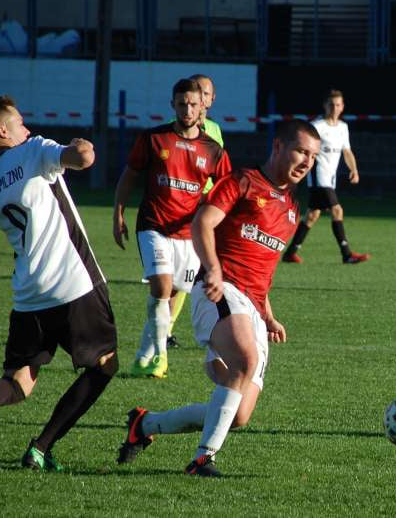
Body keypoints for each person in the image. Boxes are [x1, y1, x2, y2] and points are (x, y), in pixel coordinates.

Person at [116, 119, 320, 477]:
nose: (307, 162)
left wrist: (269, 316)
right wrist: (212, 268)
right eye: (301, 151)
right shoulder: (243, 181)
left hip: (252, 308)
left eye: (314, 157)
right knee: (245, 358)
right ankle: (202, 459)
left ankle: (145, 426)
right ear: (277, 147)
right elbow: (202, 223)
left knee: (238, 415)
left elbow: (263, 271)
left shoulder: (290, 208)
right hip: (220, 290)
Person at [0, 95, 118, 474]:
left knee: (17, 384)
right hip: (73, 282)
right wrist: (82, 146)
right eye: (19, 122)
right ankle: (41, 449)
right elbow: (83, 159)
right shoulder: (33, 151)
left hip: (29, 296)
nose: (26, 127)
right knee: (105, 366)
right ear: (2, 130)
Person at [113, 78, 231, 379]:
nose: (188, 109)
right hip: (153, 225)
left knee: (174, 292)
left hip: (188, 234)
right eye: (182, 104)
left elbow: (226, 192)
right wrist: (118, 213)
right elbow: (129, 175)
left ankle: (143, 356)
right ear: (173, 105)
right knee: (162, 286)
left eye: (193, 104)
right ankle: (161, 357)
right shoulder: (154, 139)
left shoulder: (213, 149)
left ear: (202, 105)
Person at [163, 73, 226, 350]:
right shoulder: (172, 133)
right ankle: (164, 329)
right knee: (179, 277)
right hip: (183, 207)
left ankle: (217, 327)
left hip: (209, 208)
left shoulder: (214, 131)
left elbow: (221, 173)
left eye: (207, 93)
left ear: (209, 101)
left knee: (200, 273)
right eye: (198, 91)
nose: (202, 96)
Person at [282, 89, 370, 264]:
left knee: (313, 214)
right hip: (318, 176)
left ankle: (290, 253)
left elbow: (347, 151)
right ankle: (347, 254)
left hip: (330, 177)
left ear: (343, 107)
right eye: (331, 104)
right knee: (337, 210)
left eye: (338, 105)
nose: (334, 108)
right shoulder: (317, 126)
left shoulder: (343, 128)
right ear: (325, 106)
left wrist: (354, 170)